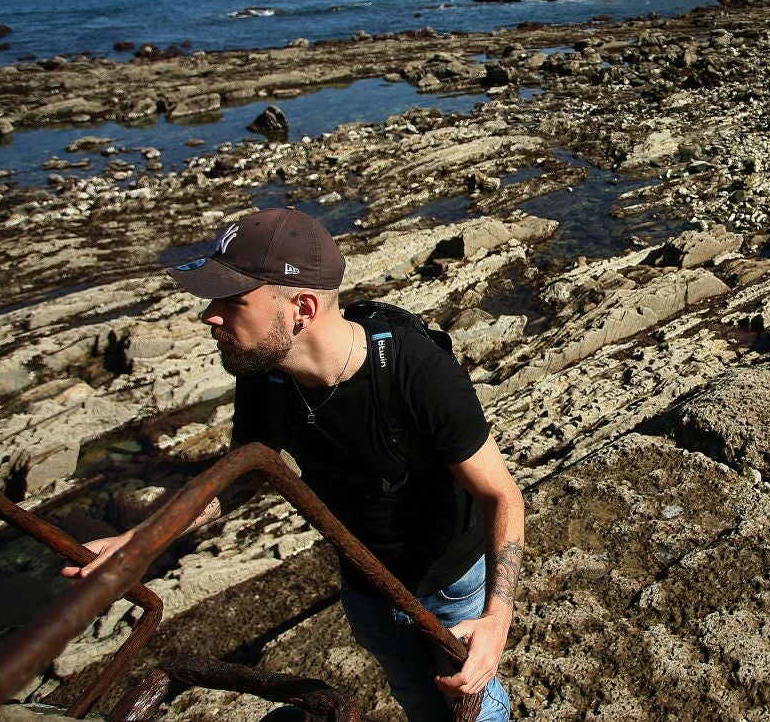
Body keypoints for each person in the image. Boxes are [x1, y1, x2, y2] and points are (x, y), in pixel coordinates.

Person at [63, 207, 524, 721]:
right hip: (365, 581)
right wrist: (141, 541)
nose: (209, 315)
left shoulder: (415, 372)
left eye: (233, 300)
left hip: (449, 582)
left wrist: (495, 620)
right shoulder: (265, 374)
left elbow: (501, 494)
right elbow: (241, 478)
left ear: (303, 307)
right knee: (416, 698)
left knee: (472, 703)